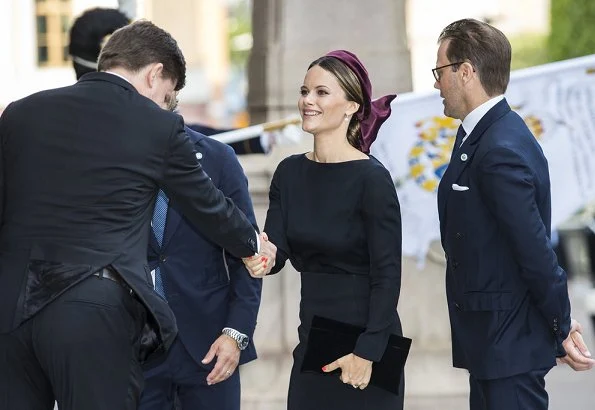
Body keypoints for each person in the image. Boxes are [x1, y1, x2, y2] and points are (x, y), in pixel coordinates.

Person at [0, 20, 270, 410]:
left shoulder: (21, 114)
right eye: (167, 95)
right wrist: (253, 246)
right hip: (91, 310)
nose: (165, 106)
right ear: (155, 74)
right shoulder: (153, 125)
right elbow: (208, 206)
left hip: (9, 309)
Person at [434, 18, 595, 410]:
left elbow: (535, 250)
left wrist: (559, 324)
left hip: (507, 345)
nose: (436, 84)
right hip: (493, 346)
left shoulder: (500, 146)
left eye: (440, 72)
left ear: (466, 71)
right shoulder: (483, 134)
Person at [244, 50, 404, 409]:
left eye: (321, 92)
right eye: (305, 91)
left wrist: (368, 352)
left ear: (351, 106)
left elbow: (388, 274)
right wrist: (263, 257)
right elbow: (277, 248)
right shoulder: (289, 172)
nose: (307, 101)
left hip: (370, 343)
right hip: (314, 338)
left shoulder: (372, 179)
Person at [140, 111, 262, 408]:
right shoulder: (114, 159)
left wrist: (236, 334)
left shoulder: (218, 158)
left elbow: (248, 255)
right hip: (136, 346)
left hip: (210, 345)